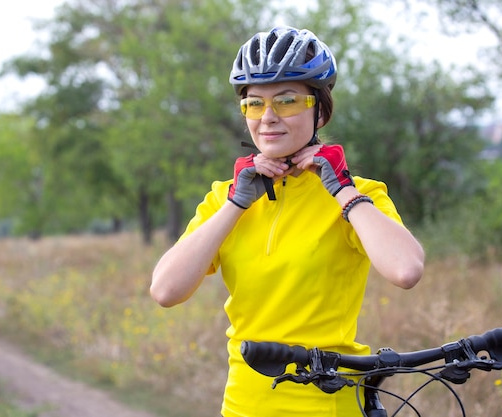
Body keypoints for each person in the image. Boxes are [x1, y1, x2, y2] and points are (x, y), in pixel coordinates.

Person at [150, 26, 425, 417]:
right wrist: (235, 204)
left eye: (287, 100)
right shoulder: (225, 197)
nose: (268, 118)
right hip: (245, 403)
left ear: (320, 110)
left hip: (330, 401)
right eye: (254, 104)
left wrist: (342, 189)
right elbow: (165, 291)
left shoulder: (358, 195)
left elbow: (406, 269)